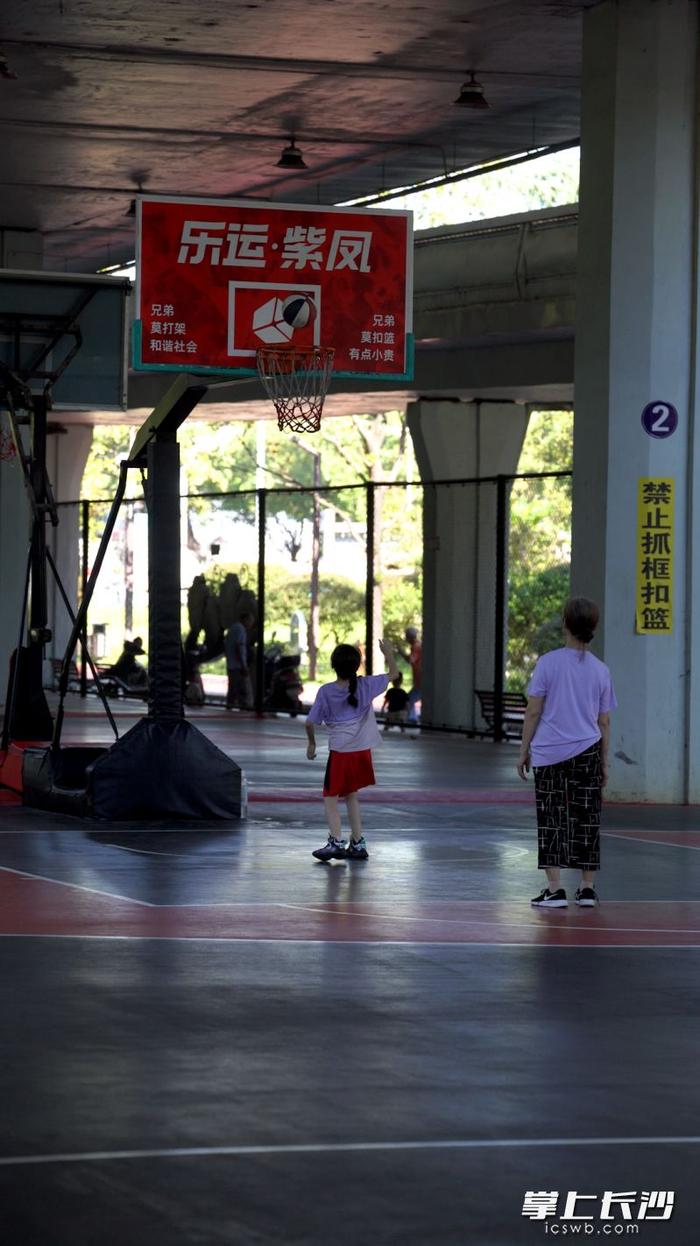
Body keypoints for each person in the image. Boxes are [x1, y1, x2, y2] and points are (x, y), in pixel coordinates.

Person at [517, 597, 617, 909]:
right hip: (587, 749)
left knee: (552, 818)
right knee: (588, 818)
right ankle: (586, 889)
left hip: (549, 753)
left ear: (565, 624)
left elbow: (533, 711)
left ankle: (555, 889)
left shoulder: (548, 663)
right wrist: (603, 760)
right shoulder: (601, 670)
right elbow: (604, 720)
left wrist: (524, 751)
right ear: (593, 628)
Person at [306, 638, 399, 862]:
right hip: (361, 752)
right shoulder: (366, 685)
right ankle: (357, 843)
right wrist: (388, 652)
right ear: (357, 666)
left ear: (333, 665)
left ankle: (336, 841)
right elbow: (394, 674)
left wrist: (311, 743)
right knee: (351, 795)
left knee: (330, 797)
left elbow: (310, 722)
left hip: (340, 753)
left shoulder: (326, 691)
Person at [225, 612, 254, 710]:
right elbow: (239, 647)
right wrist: (243, 665)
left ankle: (230, 705)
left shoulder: (232, 628)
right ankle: (243, 706)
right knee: (240, 687)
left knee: (232, 686)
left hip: (231, 664)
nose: (251, 624)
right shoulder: (240, 630)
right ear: (245, 619)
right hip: (237, 665)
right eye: (250, 621)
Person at [402, 626, 422, 724]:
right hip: (419, 680)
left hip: (420, 681)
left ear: (411, 637)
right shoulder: (416, 645)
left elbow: (410, 660)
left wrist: (401, 652)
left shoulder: (416, 646)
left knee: (409, 699)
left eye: (406, 636)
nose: (405, 638)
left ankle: (412, 719)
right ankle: (414, 718)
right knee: (410, 699)